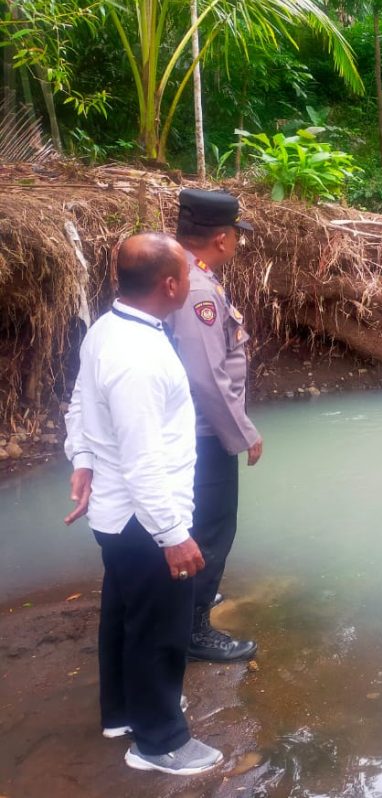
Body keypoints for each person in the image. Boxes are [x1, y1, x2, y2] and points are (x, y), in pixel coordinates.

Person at [63, 233, 223, 776]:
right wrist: (173, 534)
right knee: (161, 627)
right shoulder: (137, 357)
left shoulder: (108, 330)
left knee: (125, 615)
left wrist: (82, 456)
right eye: (187, 269)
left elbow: (81, 403)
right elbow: (142, 459)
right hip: (143, 518)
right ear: (171, 284)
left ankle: (124, 712)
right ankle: (159, 742)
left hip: (117, 514)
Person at [167, 188, 261, 663]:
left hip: (191, 429)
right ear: (222, 239)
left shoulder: (180, 269)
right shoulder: (199, 288)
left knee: (196, 524)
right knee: (212, 528)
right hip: (205, 433)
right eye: (236, 236)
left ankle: (190, 604)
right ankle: (193, 627)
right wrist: (241, 432)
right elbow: (206, 375)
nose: (238, 244)